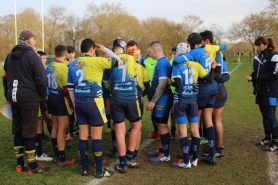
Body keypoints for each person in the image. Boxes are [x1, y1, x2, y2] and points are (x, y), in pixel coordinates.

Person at [68, 38, 121, 178]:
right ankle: (99, 171)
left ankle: (84, 169)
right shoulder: (96, 61)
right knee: (97, 137)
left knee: (83, 136)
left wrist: (74, 105)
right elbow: (118, 60)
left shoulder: (73, 63)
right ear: (92, 49)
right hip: (94, 102)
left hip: (79, 102)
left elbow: (70, 88)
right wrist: (103, 49)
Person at [173, 33, 226, 165]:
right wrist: (216, 48)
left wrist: (178, 61)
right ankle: (212, 153)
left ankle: (191, 153)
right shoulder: (211, 48)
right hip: (213, 88)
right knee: (208, 120)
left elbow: (178, 61)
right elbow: (223, 46)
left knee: (195, 123)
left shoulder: (194, 53)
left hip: (201, 89)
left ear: (190, 43)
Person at [3, 30, 50, 174]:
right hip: (29, 97)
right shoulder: (32, 55)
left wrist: (8, 94)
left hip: (14, 96)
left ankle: (19, 164)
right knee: (30, 131)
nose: (35, 40)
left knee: (18, 130)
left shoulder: (10, 56)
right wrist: (42, 95)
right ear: (29, 40)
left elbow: (5, 77)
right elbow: (41, 79)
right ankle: (32, 166)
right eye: (34, 38)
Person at [103, 37, 142, 173]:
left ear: (113, 47)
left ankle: (123, 162)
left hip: (116, 97)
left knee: (119, 130)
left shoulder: (109, 61)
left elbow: (106, 84)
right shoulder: (131, 59)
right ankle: (130, 155)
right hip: (131, 97)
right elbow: (137, 77)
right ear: (125, 48)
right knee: (136, 126)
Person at [200, 30, 230, 157]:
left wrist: (213, 77)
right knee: (212, 119)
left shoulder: (213, 53)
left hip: (216, 90)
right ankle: (213, 144)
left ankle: (218, 148)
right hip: (218, 90)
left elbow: (224, 75)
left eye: (201, 42)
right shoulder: (215, 53)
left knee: (215, 120)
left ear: (207, 41)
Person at [46, 45, 76, 166]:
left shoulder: (49, 66)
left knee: (55, 127)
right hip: (60, 99)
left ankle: (56, 155)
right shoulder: (64, 68)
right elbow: (66, 89)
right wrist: (71, 104)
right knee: (62, 129)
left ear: (54, 53)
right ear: (65, 55)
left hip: (51, 97)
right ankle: (62, 158)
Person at [246, 36, 278, 151]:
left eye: (260, 45)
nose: (258, 47)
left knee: (270, 116)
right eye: (257, 45)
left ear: (266, 44)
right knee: (264, 115)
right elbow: (256, 72)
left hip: (271, 91)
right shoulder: (258, 57)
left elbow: (275, 73)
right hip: (260, 91)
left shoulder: (274, 56)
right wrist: (252, 76)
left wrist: (258, 79)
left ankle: (275, 141)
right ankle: (267, 137)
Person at [146, 41, 173, 163]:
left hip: (163, 98)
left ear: (155, 50)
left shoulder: (162, 63)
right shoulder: (162, 62)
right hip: (162, 98)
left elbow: (162, 84)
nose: (149, 54)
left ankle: (165, 154)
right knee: (159, 124)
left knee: (162, 125)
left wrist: (153, 101)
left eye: (150, 51)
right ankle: (162, 149)